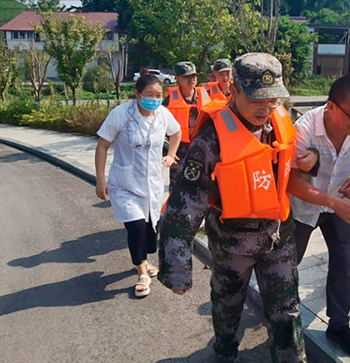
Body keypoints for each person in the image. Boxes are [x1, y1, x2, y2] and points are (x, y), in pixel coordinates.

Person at [158, 53, 306, 363]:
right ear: (235, 91)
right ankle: (225, 350)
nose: (266, 109)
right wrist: (176, 269)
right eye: (257, 101)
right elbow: (185, 203)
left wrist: (314, 158)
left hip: (278, 232)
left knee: (287, 308)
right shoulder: (211, 138)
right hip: (232, 240)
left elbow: (290, 162)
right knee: (228, 304)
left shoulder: (279, 118)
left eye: (273, 101)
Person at [287, 74, 350, 358]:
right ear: (331, 107)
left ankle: (339, 325)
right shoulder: (305, 129)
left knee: (344, 261)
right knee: (288, 265)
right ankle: (284, 319)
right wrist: (334, 201)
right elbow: (293, 182)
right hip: (303, 206)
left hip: (337, 202)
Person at [94, 74, 181, 298]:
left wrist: (171, 155)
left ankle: (145, 259)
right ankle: (142, 272)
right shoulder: (121, 114)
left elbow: (176, 132)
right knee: (135, 227)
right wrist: (100, 179)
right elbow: (103, 145)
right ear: (137, 94)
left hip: (152, 183)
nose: (154, 99)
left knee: (150, 232)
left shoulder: (163, 114)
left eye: (159, 95)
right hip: (125, 184)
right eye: (149, 95)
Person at [164, 61, 210, 189]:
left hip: (201, 149)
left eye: (194, 76)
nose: (192, 79)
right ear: (177, 78)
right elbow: (159, 127)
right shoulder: (169, 101)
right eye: (187, 76)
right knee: (177, 186)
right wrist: (169, 151)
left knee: (201, 186)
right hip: (179, 150)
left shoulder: (205, 96)